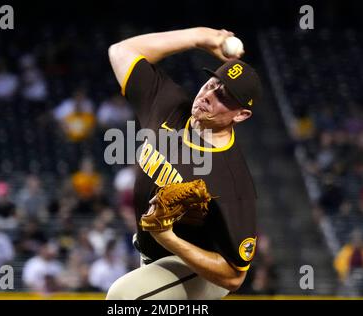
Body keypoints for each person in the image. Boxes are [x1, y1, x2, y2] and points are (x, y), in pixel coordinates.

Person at [106, 27, 261, 300]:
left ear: (242, 115)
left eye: (224, 97)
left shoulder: (233, 182)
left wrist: (169, 239)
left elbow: (234, 276)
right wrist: (199, 38)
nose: (209, 95)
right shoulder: (169, 106)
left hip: (199, 270)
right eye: (212, 83)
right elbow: (122, 52)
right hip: (154, 257)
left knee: (124, 298)